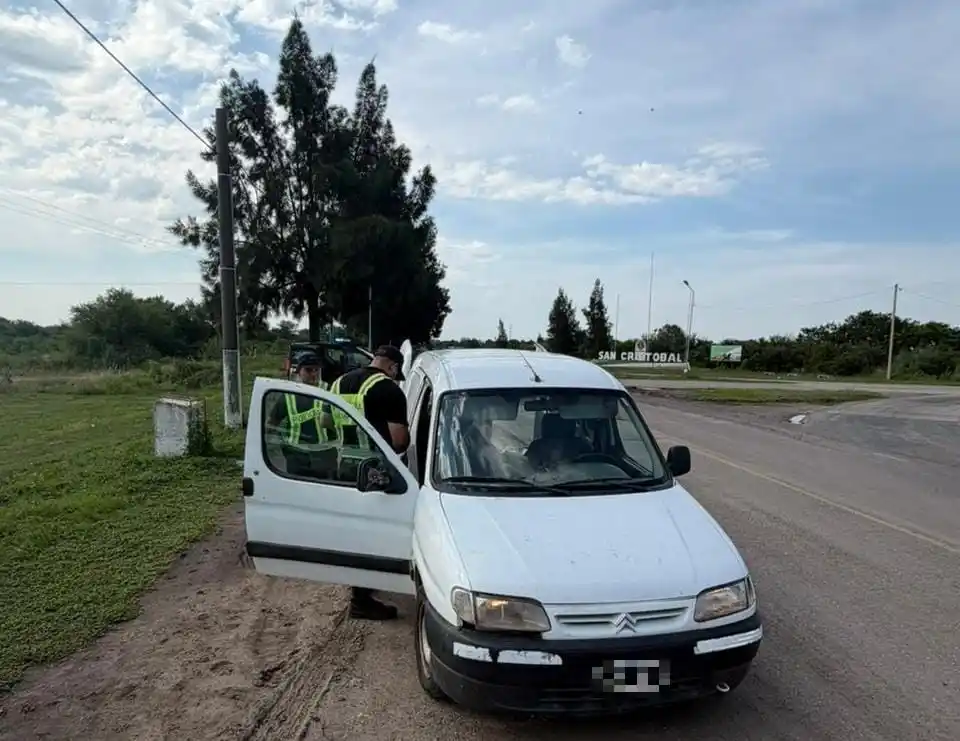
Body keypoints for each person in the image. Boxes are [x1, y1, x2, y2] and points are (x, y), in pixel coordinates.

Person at [321, 345, 410, 621]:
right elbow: (399, 441)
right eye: (396, 373)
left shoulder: (338, 383)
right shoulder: (389, 390)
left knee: (355, 530)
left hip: (344, 468)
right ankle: (360, 600)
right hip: (375, 472)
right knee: (375, 533)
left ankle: (362, 583)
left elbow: (325, 422)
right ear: (393, 367)